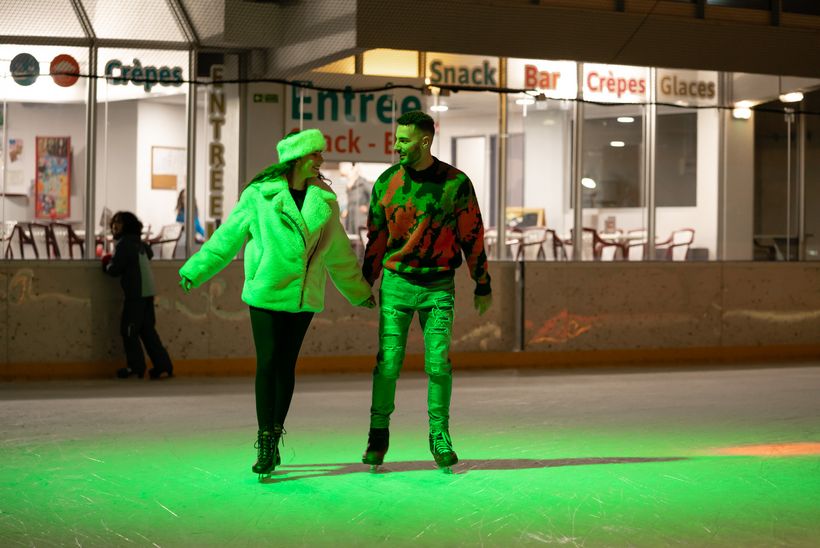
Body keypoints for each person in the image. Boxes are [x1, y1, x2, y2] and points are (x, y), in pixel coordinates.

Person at [178, 129, 375, 479]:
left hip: (302, 297)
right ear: (298, 157)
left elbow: (339, 255)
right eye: (315, 154)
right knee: (268, 362)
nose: (321, 160)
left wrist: (358, 291)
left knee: (286, 366)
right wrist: (196, 269)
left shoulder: (325, 200)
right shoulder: (259, 196)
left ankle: (274, 434)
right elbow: (227, 238)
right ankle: (265, 441)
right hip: (267, 292)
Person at [360, 110, 492, 471]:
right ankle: (378, 433)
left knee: (438, 364)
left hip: (438, 287)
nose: (397, 145)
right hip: (397, 284)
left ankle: (439, 434)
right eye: (397, 138)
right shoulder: (386, 183)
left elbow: (472, 235)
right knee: (387, 364)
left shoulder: (455, 183)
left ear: (424, 140)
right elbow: (377, 238)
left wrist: (482, 282)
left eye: (404, 139)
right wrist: (365, 280)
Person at [102, 211, 174, 380]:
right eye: (114, 222)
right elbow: (149, 253)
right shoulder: (139, 244)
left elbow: (114, 269)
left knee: (128, 330)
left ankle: (135, 367)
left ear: (128, 226)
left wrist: (106, 264)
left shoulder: (125, 245)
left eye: (119, 222)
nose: (115, 225)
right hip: (147, 293)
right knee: (147, 330)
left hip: (136, 294)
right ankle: (163, 366)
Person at [339, 162, 371, 234]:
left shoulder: (362, 183)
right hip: (350, 216)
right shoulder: (349, 183)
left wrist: (367, 207)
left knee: (360, 235)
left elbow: (374, 195)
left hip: (360, 217)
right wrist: (346, 209)